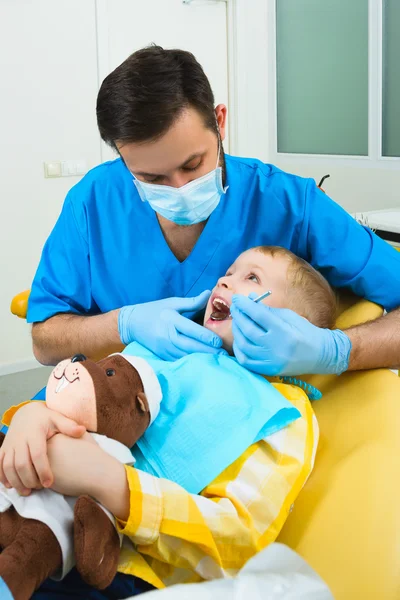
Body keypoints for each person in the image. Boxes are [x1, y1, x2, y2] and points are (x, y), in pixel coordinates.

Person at [27, 46, 400, 378]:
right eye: (152, 177)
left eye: (192, 165)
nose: (179, 189)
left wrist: (333, 351)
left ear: (220, 122)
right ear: (121, 156)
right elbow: (45, 340)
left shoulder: (290, 203)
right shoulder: (93, 201)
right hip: (121, 412)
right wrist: (123, 325)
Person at [1, 246, 336, 599]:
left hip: (110, 566)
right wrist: (30, 415)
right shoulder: (168, 349)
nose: (225, 279)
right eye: (231, 270)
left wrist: (111, 483)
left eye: (252, 278)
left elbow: (238, 537)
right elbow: (82, 393)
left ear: (296, 330)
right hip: (25, 495)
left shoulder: (280, 414)